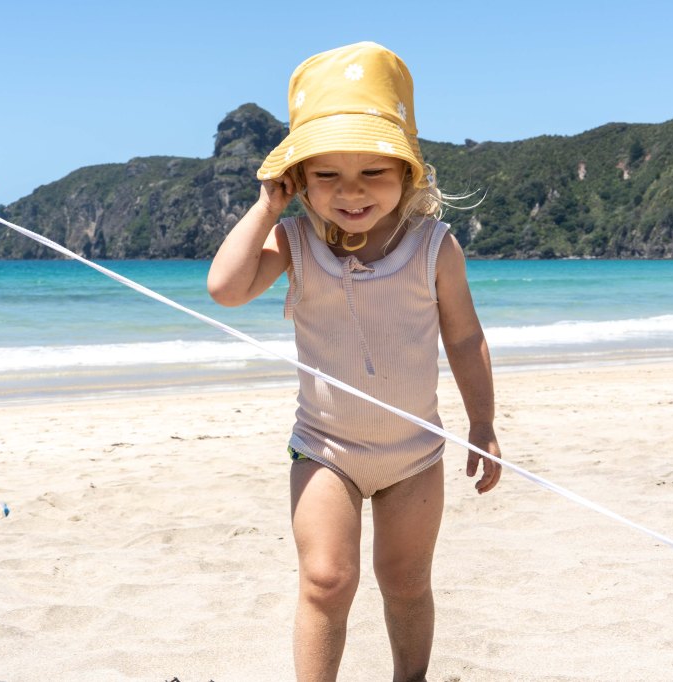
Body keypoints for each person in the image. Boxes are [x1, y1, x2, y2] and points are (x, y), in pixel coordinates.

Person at [207, 42, 502, 681]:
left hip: (415, 454)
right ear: (299, 181)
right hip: (324, 449)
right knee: (325, 579)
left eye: (373, 172)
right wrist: (266, 207)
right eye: (328, 176)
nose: (352, 192)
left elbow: (465, 340)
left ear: (406, 173)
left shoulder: (433, 245)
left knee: (404, 581)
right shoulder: (295, 239)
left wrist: (482, 423)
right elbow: (226, 289)